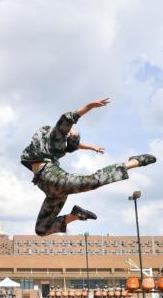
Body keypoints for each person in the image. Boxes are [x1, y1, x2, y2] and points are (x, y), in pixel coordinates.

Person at [20, 98, 156, 236]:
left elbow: (74, 144)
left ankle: (134, 162)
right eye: (73, 133)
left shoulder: (57, 144)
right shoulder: (56, 135)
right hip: (48, 183)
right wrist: (89, 106)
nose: (73, 131)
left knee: (92, 181)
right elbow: (68, 118)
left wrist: (90, 147)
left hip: (52, 179)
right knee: (42, 229)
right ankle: (76, 215)